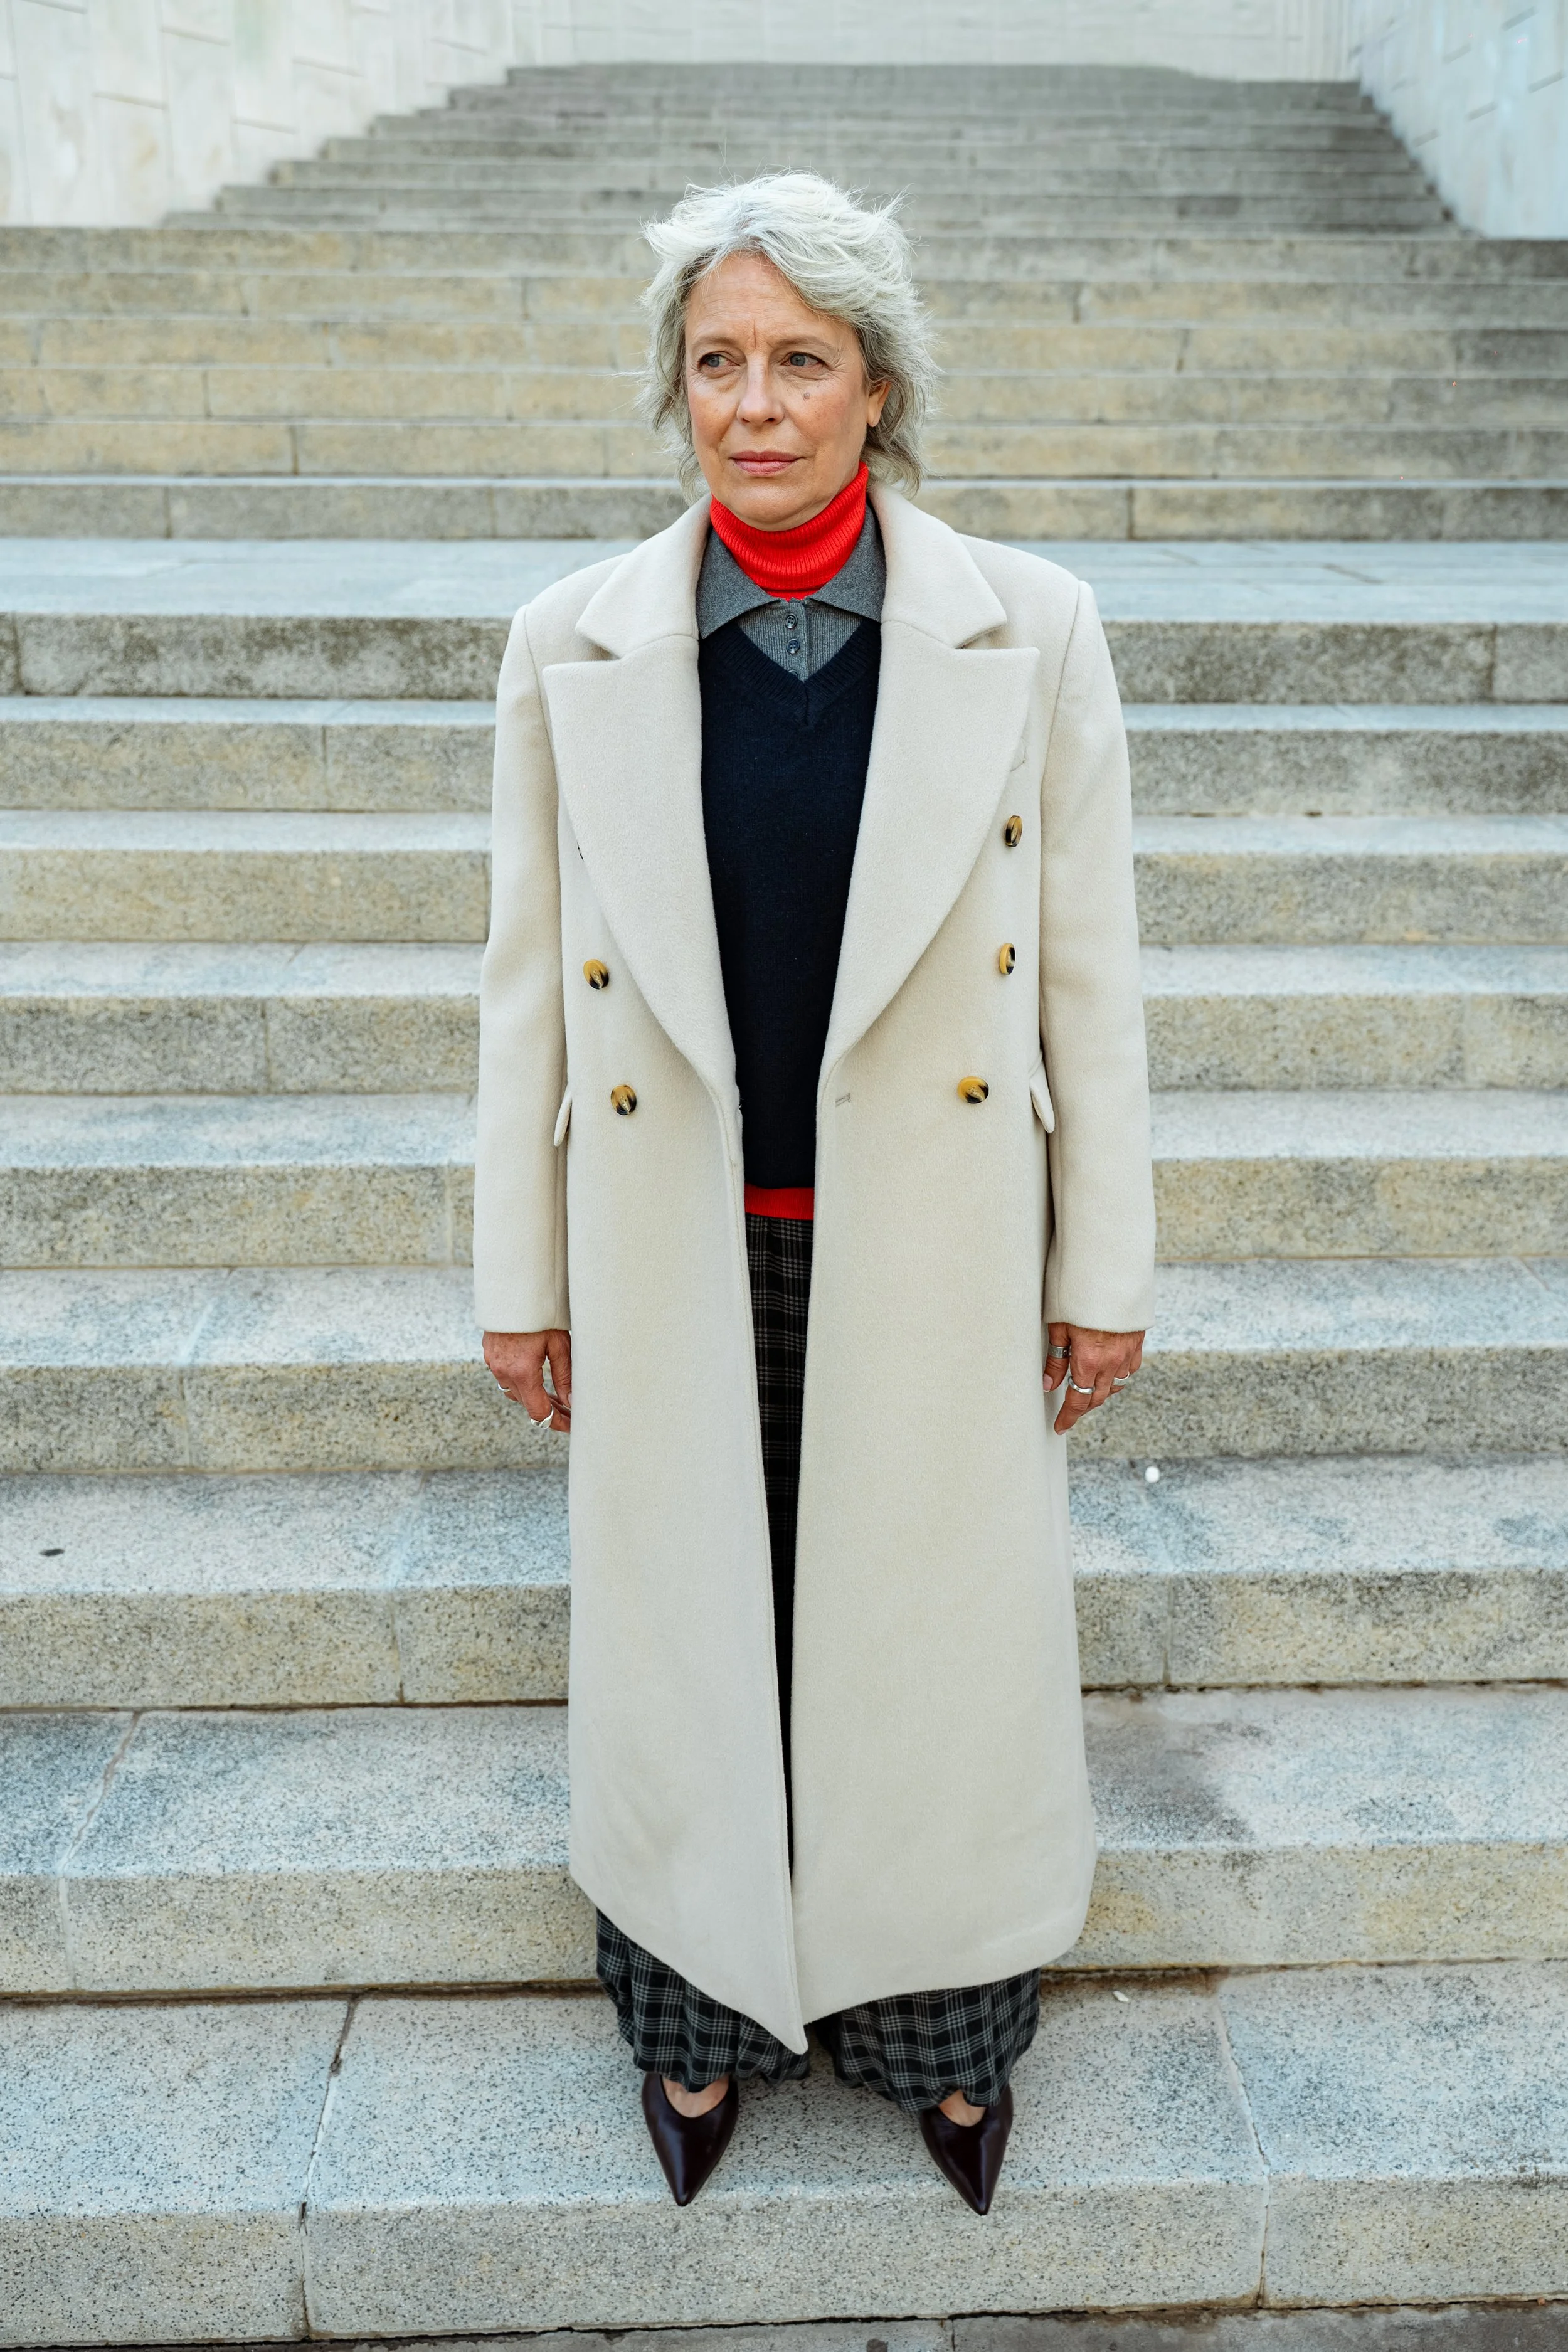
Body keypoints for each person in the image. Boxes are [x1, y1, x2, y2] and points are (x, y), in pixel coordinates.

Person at [474, 173, 1154, 2215]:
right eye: (716, 362)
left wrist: (1101, 1257)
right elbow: (522, 988)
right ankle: (692, 2025)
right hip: (674, 1239)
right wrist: (519, 1269)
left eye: (800, 360)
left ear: (877, 387)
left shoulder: (1026, 626)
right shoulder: (572, 640)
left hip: (931, 1243)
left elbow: (1093, 977)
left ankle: (938, 2042)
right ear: (674, 389)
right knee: (696, 1637)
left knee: (919, 1654)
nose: (753, 404)